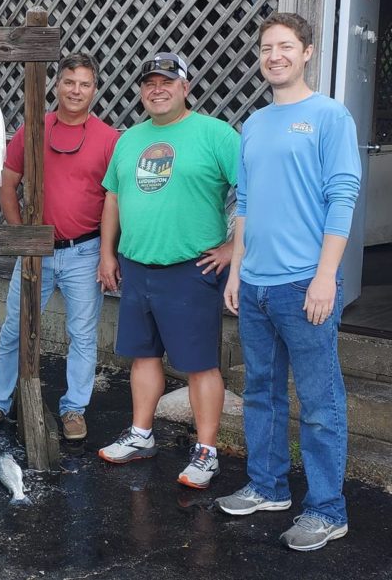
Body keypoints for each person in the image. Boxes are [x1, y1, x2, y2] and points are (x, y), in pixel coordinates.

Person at [215, 13, 361, 551]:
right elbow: (246, 207)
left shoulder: (329, 117)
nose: (274, 55)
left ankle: (327, 510)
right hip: (254, 285)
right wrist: (236, 271)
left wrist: (326, 277)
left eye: (285, 46)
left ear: (307, 53)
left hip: (305, 284)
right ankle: (269, 486)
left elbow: (341, 197)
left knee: (321, 404)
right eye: (266, 47)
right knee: (261, 393)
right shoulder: (253, 125)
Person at [97, 52, 239, 489]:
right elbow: (113, 198)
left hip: (191, 268)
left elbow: (255, 194)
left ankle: (206, 450)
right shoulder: (129, 139)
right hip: (137, 266)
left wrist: (235, 247)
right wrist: (107, 253)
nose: (157, 88)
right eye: (149, 82)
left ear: (185, 86)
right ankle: (141, 434)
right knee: (142, 356)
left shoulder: (217, 135)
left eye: (167, 81)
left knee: (199, 365)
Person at [0, 53, 120, 440]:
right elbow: (7, 185)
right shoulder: (33, 130)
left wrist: (107, 252)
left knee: (83, 335)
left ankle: (74, 409)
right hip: (36, 250)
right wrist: (22, 237)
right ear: (57, 85)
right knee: (14, 330)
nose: (76, 90)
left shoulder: (108, 139)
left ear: (94, 89)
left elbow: (113, 202)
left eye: (84, 84)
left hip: (84, 251)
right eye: (69, 82)